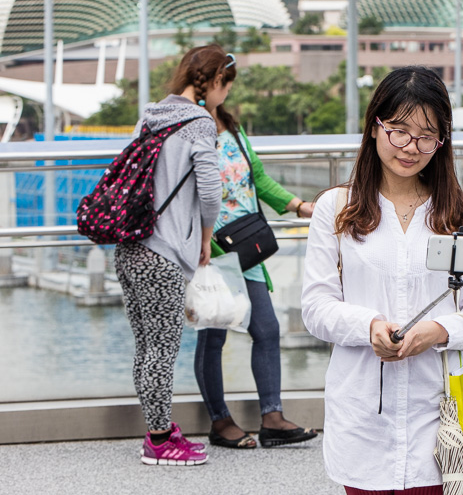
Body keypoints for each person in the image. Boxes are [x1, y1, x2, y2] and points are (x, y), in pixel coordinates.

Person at [301, 66, 463, 493]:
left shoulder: (460, 214)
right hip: (361, 413)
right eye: (399, 130)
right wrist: (369, 325)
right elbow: (316, 308)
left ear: (442, 142)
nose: (411, 147)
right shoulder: (335, 208)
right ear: (375, 126)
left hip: (437, 413)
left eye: (427, 135)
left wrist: (438, 331)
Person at [114, 44, 235, 466]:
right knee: (162, 351)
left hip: (130, 246)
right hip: (164, 251)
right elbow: (210, 190)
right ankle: (161, 441)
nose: (225, 97)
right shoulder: (200, 122)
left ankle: (156, 428)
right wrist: (204, 238)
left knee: (146, 348)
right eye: (226, 87)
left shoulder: (151, 114)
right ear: (216, 81)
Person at [192, 102, 318, 449]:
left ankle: (272, 418)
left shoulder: (233, 128)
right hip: (210, 248)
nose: (226, 87)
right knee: (213, 334)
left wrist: (299, 206)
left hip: (248, 244)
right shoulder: (187, 130)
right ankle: (220, 421)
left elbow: (257, 178)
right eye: (221, 79)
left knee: (266, 329)